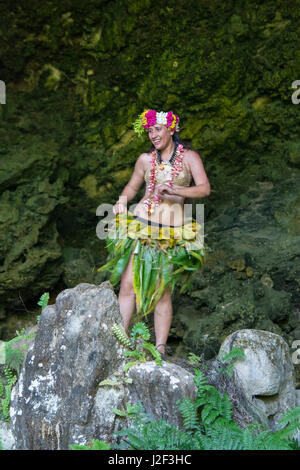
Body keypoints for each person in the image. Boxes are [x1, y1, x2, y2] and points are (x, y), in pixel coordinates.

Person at [98, 109, 210, 357]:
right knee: (127, 284)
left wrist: (176, 191)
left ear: (172, 129)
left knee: (162, 290)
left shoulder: (190, 158)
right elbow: (131, 186)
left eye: (157, 129)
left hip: (171, 233)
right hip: (141, 225)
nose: (153, 135)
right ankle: (120, 342)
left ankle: (159, 348)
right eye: (149, 131)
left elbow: (204, 189)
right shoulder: (145, 160)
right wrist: (121, 202)